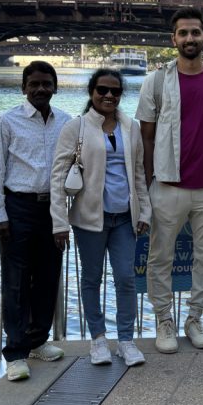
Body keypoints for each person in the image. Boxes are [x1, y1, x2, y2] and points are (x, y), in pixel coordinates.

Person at [135, 7, 203, 353]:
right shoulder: (156, 81)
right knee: (159, 256)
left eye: (195, 32)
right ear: (173, 40)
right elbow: (146, 137)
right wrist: (148, 185)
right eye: (183, 33)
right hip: (167, 186)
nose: (190, 39)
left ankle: (195, 318)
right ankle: (163, 321)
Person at [50, 69, 150, 367]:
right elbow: (58, 177)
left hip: (124, 218)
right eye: (102, 90)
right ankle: (97, 339)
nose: (109, 96)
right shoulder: (76, 128)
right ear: (91, 92)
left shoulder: (130, 127)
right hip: (89, 219)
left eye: (115, 91)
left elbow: (139, 175)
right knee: (91, 280)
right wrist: (59, 223)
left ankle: (126, 340)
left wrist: (144, 211)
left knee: (126, 278)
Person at [0, 61, 70, 381]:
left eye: (47, 84)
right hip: (18, 207)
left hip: (53, 208)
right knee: (16, 281)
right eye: (34, 84)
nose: (40, 89)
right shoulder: (7, 121)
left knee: (49, 277)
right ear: (24, 88)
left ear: (55, 87)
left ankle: (38, 341)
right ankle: (16, 352)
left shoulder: (65, 121)